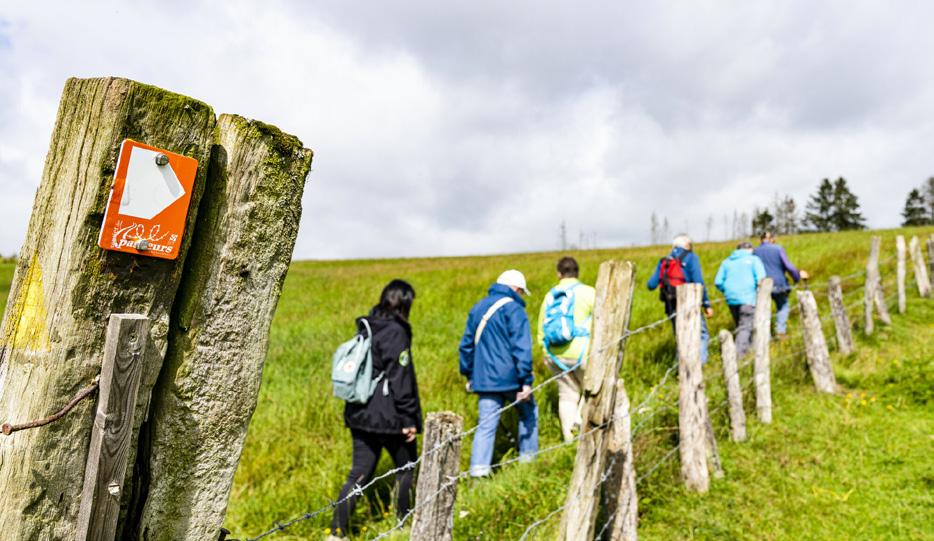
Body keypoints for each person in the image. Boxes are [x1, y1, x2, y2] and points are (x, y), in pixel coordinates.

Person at [329, 280, 422, 540]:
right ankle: (404, 524)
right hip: (390, 418)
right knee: (406, 468)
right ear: (404, 303)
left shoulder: (368, 325)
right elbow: (400, 378)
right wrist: (409, 419)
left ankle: (336, 533)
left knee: (358, 474)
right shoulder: (396, 331)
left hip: (360, 412)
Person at [459, 269, 538, 477]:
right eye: (522, 292)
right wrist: (526, 380)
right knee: (529, 414)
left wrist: (469, 375)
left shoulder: (478, 308)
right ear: (517, 289)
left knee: (486, 425)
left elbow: (466, 346)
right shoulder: (514, 310)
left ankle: (478, 472)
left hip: (484, 380)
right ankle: (528, 463)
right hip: (512, 379)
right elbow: (522, 347)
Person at [537, 256, 595, 442]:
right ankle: (586, 434)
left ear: (559, 274)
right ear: (577, 272)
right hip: (583, 353)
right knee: (591, 391)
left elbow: (541, 327)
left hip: (555, 355)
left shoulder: (550, 295)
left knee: (567, 396)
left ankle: (569, 440)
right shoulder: (589, 292)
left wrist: (545, 352)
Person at [647, 234, 714, 363]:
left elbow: (651, 285)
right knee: (701, 335)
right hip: (690, 304)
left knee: (681, 337)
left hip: (671, 305)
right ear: (688, 245)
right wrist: (706, 304)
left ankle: (681, 367)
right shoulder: (691, 257)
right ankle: (699, 365)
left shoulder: (664, 261)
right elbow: (698, 281)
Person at [714, 242, 767, 358]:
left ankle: (748, 351)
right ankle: (738, 356)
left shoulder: (727, 262)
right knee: (745, 327)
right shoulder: (754, 260)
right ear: (750, 249)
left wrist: (726, 290)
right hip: (748, 298)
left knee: (740, 325)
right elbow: (761, 279)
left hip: (731, 298)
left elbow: (718, 281)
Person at [753, 231, 809, 338]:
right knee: (783, 306)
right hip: (779, 284)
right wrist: (797, 277)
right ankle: (780, 331)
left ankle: (765, 335)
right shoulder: (778, 249)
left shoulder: (755, 251)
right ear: (772, 239)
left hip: (761, 285)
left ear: (761, 239)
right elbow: (788, 266)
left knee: (764, 309)